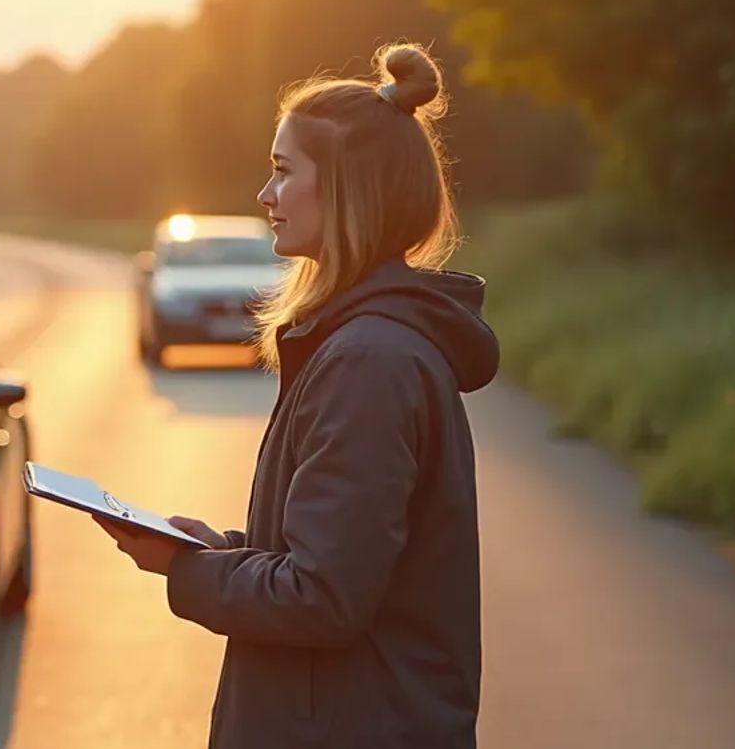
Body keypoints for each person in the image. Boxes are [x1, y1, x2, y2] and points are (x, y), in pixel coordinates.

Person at [97, 43, 500, 747]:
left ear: (346, 188)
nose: (265, 195)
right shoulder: (364, 345)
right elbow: (341, 561)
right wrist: (218, 551)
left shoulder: (369, 362)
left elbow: (322, 597)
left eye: (284, 171)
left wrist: (187, 571)